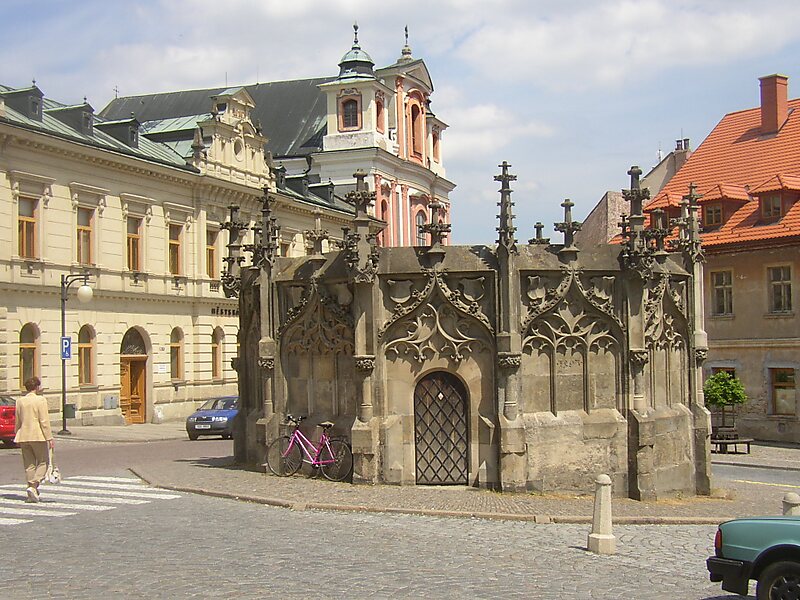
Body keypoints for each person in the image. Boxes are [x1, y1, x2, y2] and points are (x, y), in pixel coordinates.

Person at [14, 376, 54, 503]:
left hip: (23, 435)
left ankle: (31, 492)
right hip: (37, 435)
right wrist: (49, 437)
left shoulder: (20, 401)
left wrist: (16, 435)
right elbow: (44, 421)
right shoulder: (40, 400)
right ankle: (34, 485)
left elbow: (17, 421)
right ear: (37, 387)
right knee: (44, 462)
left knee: (29, 464)